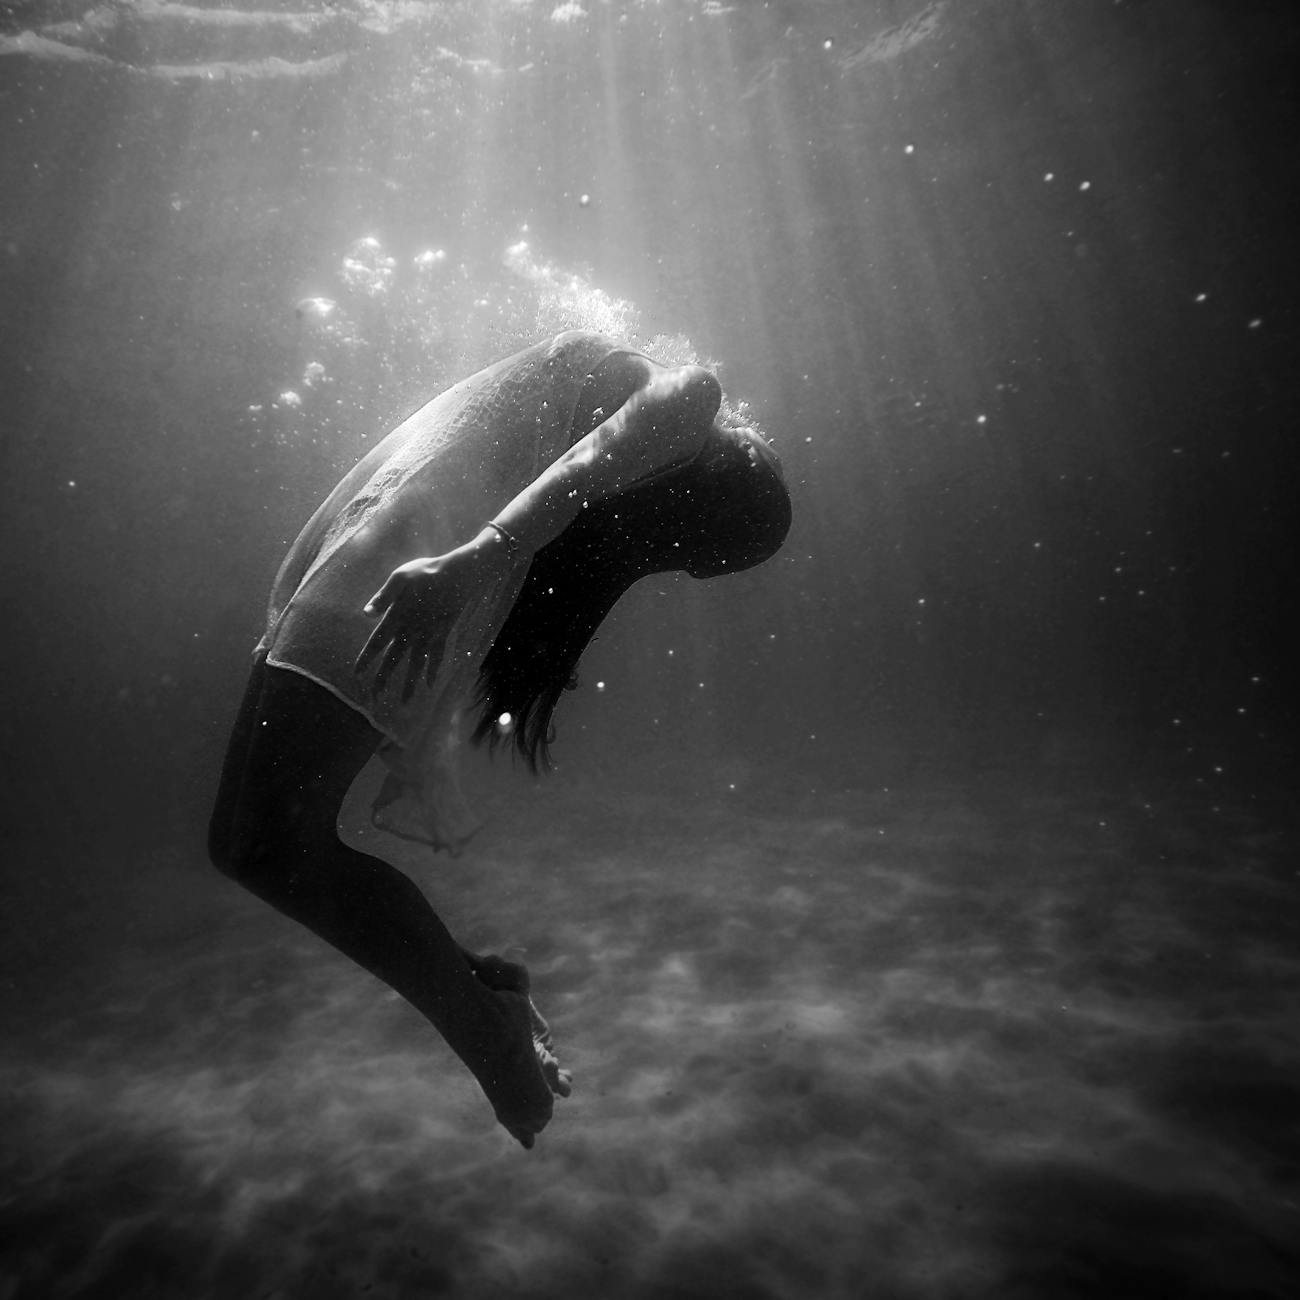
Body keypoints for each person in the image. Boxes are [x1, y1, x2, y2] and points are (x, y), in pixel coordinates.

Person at [208, 329, 791, 1147]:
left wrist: (473, 561)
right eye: (697, 553)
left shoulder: (620, 409)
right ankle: (484, 1003)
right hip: (419, 551)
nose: (673, 562)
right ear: (717, 498)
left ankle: (481, 1021)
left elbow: (551, 472)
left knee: (259, 842)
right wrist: (478, 558)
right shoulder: (693, 398)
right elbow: (581, 469)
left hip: (411, 549)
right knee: (250, 844)